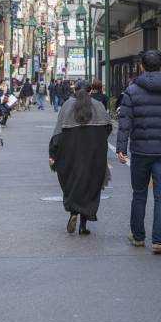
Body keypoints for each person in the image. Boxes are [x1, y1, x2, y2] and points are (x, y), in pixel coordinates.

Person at [116, 51, 161, 254]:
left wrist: (121, 148)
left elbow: (125, 122)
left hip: (140, 151)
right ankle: (159, 240)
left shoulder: (132, 91)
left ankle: (138, 236)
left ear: (142, 67)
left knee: (139, 194)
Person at [50, 81, 112, 235]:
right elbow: (108, 129)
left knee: (72, 182)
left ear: (74, 90)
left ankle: (73, 212)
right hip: (94, 154)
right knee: (90, 185)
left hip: (69, 154)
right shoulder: (98, 106)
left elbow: (57, 133)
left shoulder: (66, 106)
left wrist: (52, 153)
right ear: (90, 91)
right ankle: (84, 225)